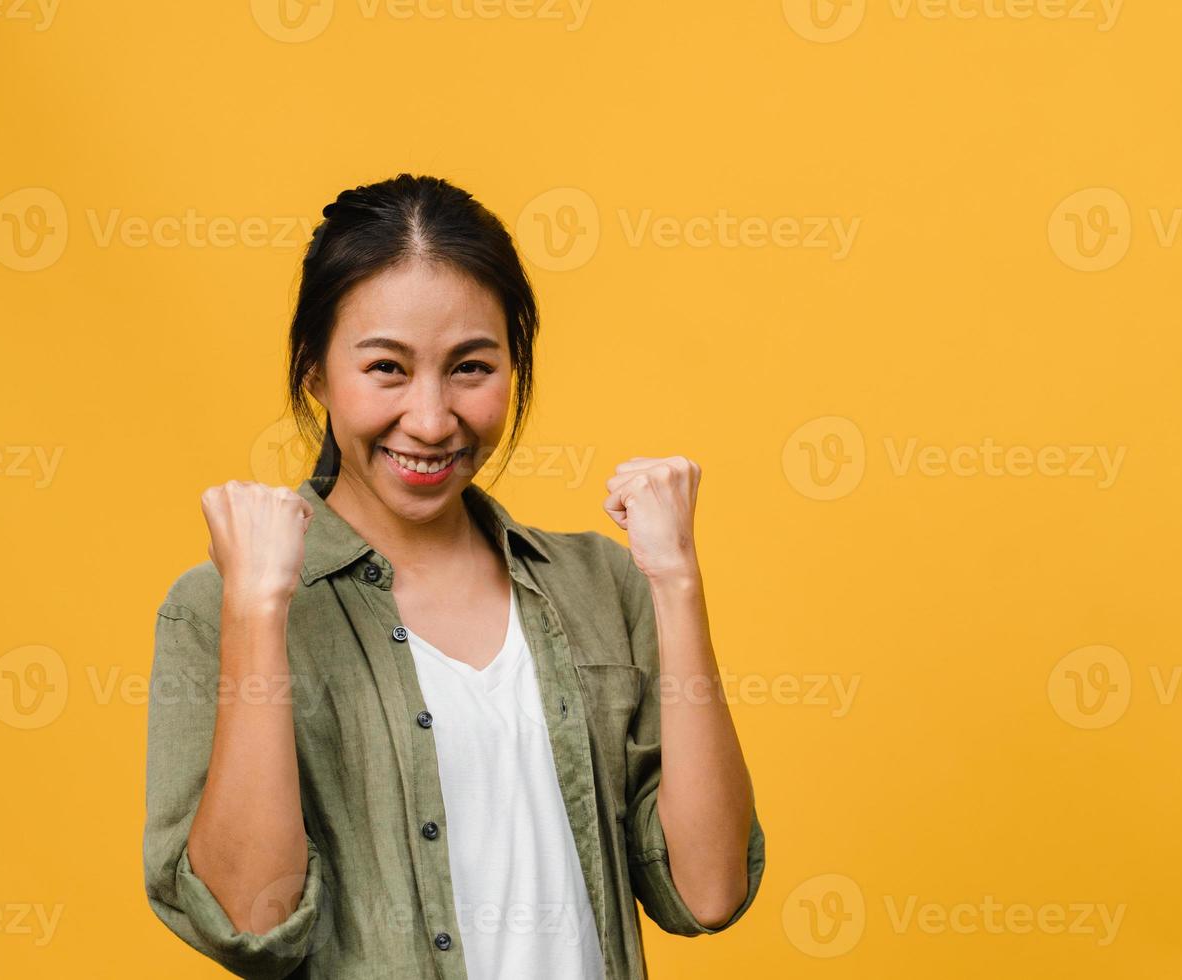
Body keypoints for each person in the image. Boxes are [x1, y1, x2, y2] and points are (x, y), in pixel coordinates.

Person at [142, 173, 766, 979]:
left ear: (516, 366)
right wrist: (258, 612)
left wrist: (676, 580)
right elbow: (252, 924)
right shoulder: (215, 608)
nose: (432, 422)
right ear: (314, 372)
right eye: (387, 370)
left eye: (471, 367)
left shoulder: (601, 584)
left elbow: (709, 891)